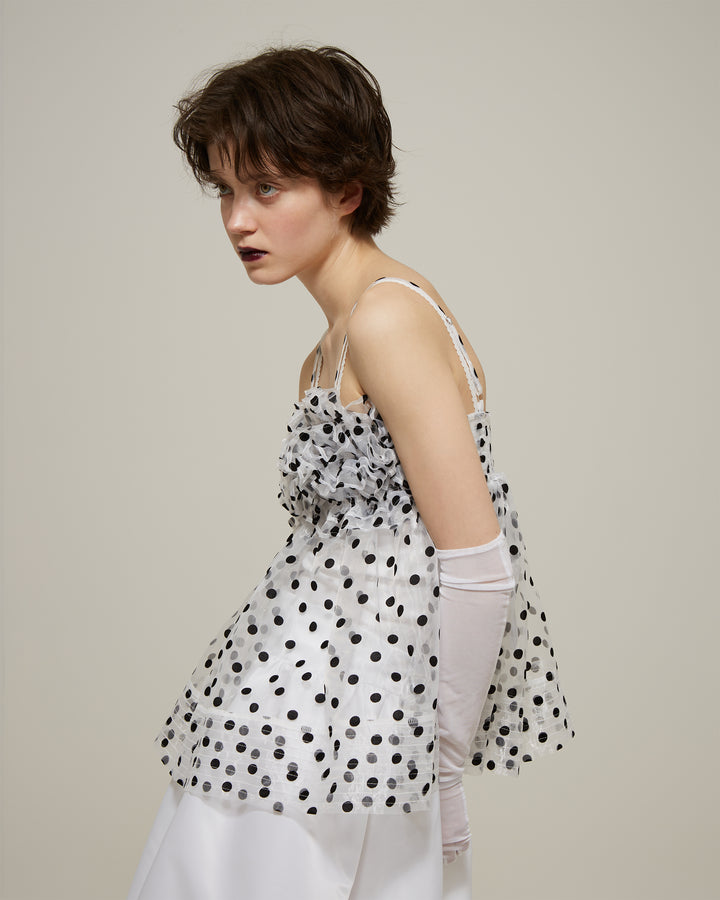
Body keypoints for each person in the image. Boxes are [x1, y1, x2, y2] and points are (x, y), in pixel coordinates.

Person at [127, 45, 574, 900]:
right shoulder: (327, 349)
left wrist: (442, 769)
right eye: (225, 189)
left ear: (346, 190)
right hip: (304, 704)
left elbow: (479, 565)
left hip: (359, 725)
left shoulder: (386, 319)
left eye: (266, 188)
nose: (237, 221)